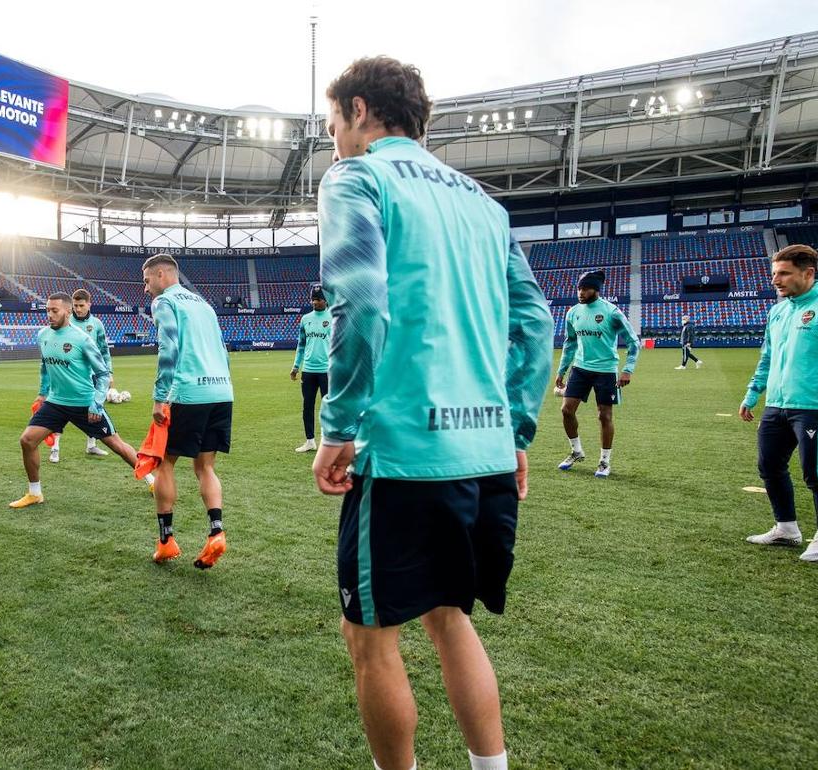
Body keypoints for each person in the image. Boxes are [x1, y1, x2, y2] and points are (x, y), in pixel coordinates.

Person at [311, 57, 552, 770]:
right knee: (450, 617)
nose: (332, 143)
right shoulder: (485, 202)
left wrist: (340, 426)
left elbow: (359, 302)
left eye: (332, 127)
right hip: (483, 451)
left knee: (371, 637)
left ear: (360, 110)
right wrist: (517, 428)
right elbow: (536, 324)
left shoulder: (358, 177)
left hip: (403, 447)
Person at [9, 292, 154, 509]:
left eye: (54, 310)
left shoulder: (82, 339)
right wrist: (42, 393)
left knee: (117, 445)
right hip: (56, 403)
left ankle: (153, 481)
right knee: (27, 440)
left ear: (67, 311)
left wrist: (96, 403)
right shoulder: (43, 335)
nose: (49, 314)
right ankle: (34, 493)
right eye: (47, 310)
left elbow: (103, 374)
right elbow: (45, 367)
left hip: (84, 404)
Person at [740, 244, 818, 562]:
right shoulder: (778, 311)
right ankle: (787, 528)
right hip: (777, 404)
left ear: (808, 273)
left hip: (816, 406)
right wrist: (753, 394)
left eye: (783, 273)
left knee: (817, 474)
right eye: (774, 274)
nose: (776, 280)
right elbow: (766, 358)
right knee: (769, 466)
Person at [142, 254, 233, 568]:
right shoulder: (204, 304)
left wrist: (159, 398)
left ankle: (166, 541)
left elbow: (169, 348)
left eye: (147, 280)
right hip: (221, 391)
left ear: (162, 274)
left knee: (164, 463)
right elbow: (223, 349)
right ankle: (216, 533)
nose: (145, 288)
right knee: (205, 467)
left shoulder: (165, 303)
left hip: (188, 393)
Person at [554, 270, 640, 478]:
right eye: (579, 288)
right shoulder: (573, 312)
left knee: (604, 416)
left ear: (596, 290)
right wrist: (562, 370)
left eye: (585, 289)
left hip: (605, 370)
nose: (580, 293)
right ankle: (576, 451)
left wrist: (627, 369)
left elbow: (633, 342)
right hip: (580, 368)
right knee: (566, 410)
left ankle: (604, 461)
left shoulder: (612, 312)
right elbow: (570, 343)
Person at [69, 288, 112, 458]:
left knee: (94, 408)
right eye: (75, 306)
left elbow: (104, 350)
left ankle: (91, 445)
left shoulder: (96, 324)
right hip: (71, 373)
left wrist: (109, 372)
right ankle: (54, 447)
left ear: (89, 304)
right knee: (60, 407)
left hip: (93, 374)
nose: (77, 309)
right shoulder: (66, 321)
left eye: (81, 305)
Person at [291, 284, 332, 453]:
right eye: (313, 299)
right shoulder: (305, 319)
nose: (315, 302)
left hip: (327, 371)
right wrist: (295, 366)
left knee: (329, 407)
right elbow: (301, 345)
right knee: (307, 406)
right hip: (308, 370)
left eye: (318, 299)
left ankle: (327, 441)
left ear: (326, 300)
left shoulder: (334, 318)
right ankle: (310, 441)